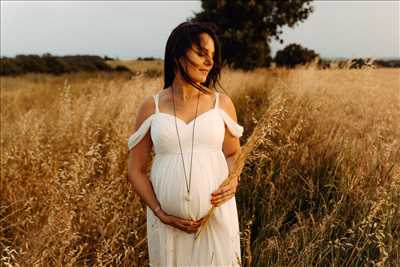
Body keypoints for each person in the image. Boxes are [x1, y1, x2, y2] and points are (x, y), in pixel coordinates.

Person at [127, 21, 244, 266]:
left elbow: (234, 153)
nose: (209, 62)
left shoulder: (221, 104)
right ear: (179, 55)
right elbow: (135, 170)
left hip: (216, 219)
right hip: (168, 227)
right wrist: (161, 214)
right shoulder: (152, 107)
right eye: (201, 53)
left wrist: (233, 179)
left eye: (212, 55)